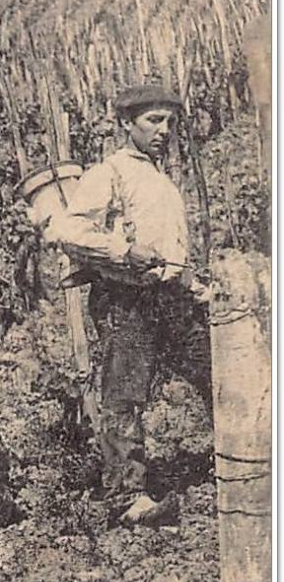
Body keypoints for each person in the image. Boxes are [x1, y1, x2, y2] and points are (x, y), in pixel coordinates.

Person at [47, 84, 204, 524]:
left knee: (214, 371)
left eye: (170, 122)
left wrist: (188, 280)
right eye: (153, 121)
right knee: (125, 397)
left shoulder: (160, 178)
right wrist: (123, 251)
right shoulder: (110, 171)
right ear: (126, 124)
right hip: (126, 299)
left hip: (168, 297)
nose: (164, 130)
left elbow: (172, 249)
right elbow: (67, 231)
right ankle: (126, 498)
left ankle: (246, 462)